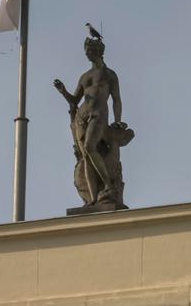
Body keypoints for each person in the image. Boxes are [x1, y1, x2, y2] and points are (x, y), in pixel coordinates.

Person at [53, 25, 132, 209]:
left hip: (99, 114)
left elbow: (116, 99)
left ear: (97, 51)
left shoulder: (109, 74)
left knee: (89, 147)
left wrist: (118, 119)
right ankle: (93, 199)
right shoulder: (84, 76)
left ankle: (109, 187)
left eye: (89, 50)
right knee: (86, 157)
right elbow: (74, 100)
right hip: (82, 116)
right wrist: (62, 91)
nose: (86, 53)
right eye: (86, 50)